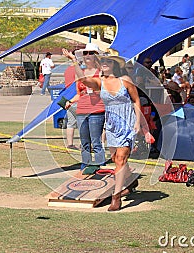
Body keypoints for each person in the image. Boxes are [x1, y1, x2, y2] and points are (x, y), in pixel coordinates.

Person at [63, 48, 141, 212]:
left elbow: (136, 100)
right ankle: (131, 180)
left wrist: (138, 122)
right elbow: (84, 80)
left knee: (120, 160)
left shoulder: (125, 79)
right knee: (116, 159)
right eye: (103, 61)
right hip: (111, 125)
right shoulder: (100, 81)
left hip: (126, 122)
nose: (105, 64)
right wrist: (74, 61)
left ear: (114, 64)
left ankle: (116, 197)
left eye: (108, 61)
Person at [62, 43, 106, 171]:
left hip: (97, 110)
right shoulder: (80, 72)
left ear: (96, 56)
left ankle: (99, 164)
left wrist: (74, 60)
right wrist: (70, 101)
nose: (87, 55)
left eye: (91, 53)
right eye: (85, 53)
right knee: (84, 141)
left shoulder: (101, 72)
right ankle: (85, 164)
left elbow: (101, 89)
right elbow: (79, 94)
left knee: (96, 140)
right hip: (82, 110)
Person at [63, 51, 79, 150]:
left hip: (69, 100)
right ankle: (85, 144)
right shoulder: (79, 70)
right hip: (78, 98)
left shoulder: (67, 70)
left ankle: (70, 144)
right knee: (84, 123)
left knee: (70, 123)